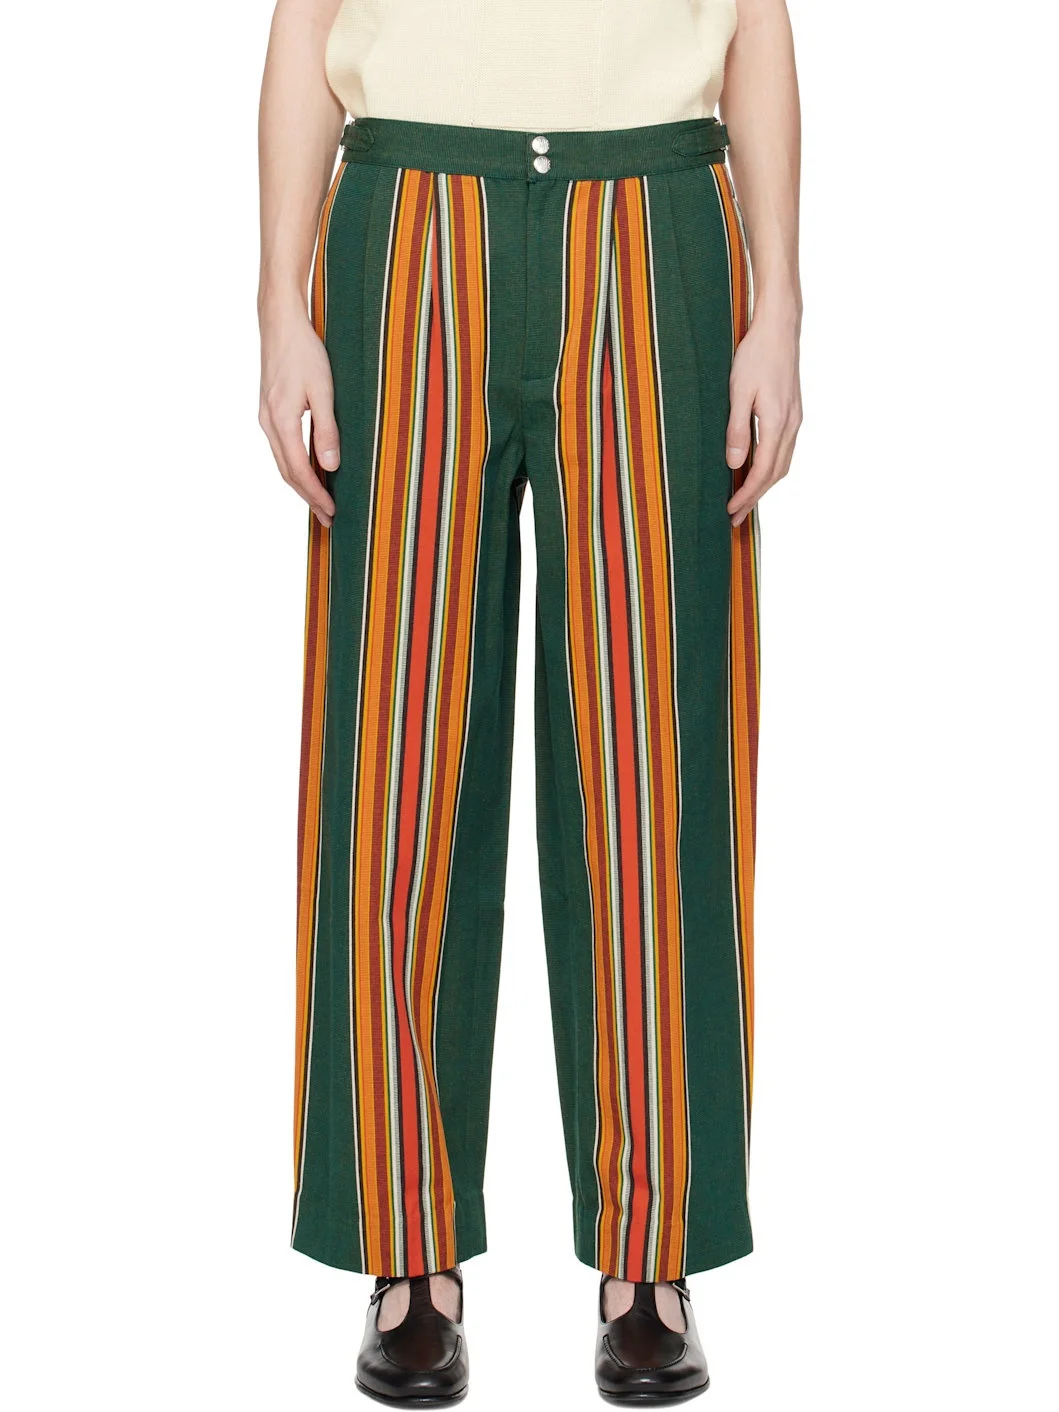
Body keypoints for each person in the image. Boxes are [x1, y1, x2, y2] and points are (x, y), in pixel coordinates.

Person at [257, 0, 801, 1402]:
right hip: (409, 210)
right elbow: (304, 20)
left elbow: (756, 21)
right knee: (396, 750)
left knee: (652, 756)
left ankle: (650, 1260)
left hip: (652, 210)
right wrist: (278, 302)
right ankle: (406, 1254)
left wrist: (781, 301)